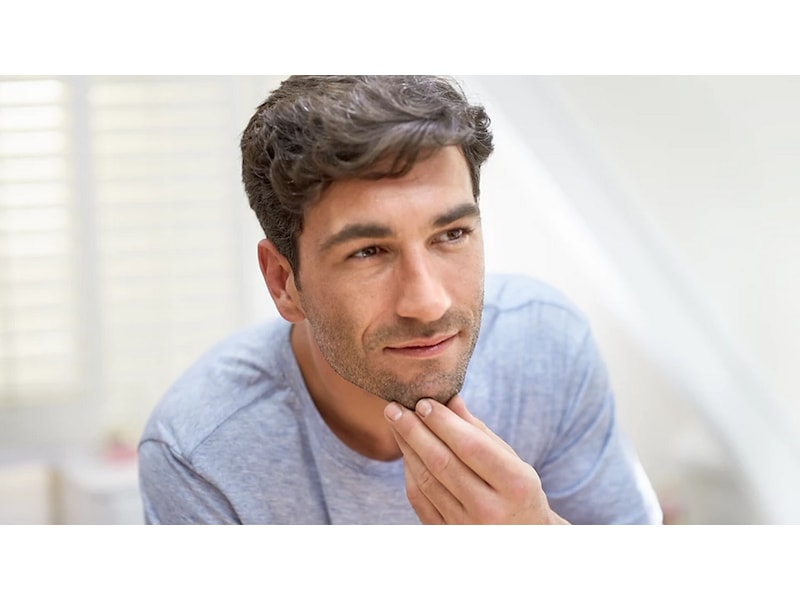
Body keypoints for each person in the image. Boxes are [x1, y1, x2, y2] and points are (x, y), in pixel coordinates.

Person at [138, 75, 663, 525]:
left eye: (451, 234)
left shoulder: (548, 348)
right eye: (368, 251)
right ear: (283, 282)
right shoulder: (199, 453)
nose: (428, 303)